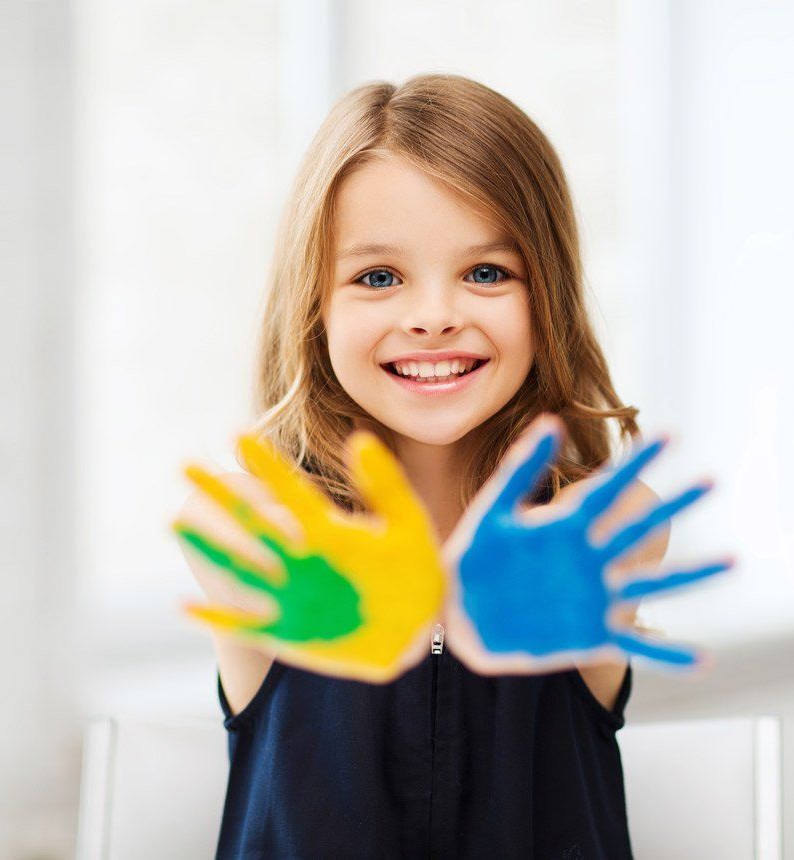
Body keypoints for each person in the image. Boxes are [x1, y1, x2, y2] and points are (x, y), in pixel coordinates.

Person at [177, 72, 671, 859]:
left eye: (486, 273)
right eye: (378, 277)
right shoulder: (264, 535)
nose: (435, 315)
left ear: (548, 296)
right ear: (315, 307)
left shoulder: (596, 529)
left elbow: (621, 529)